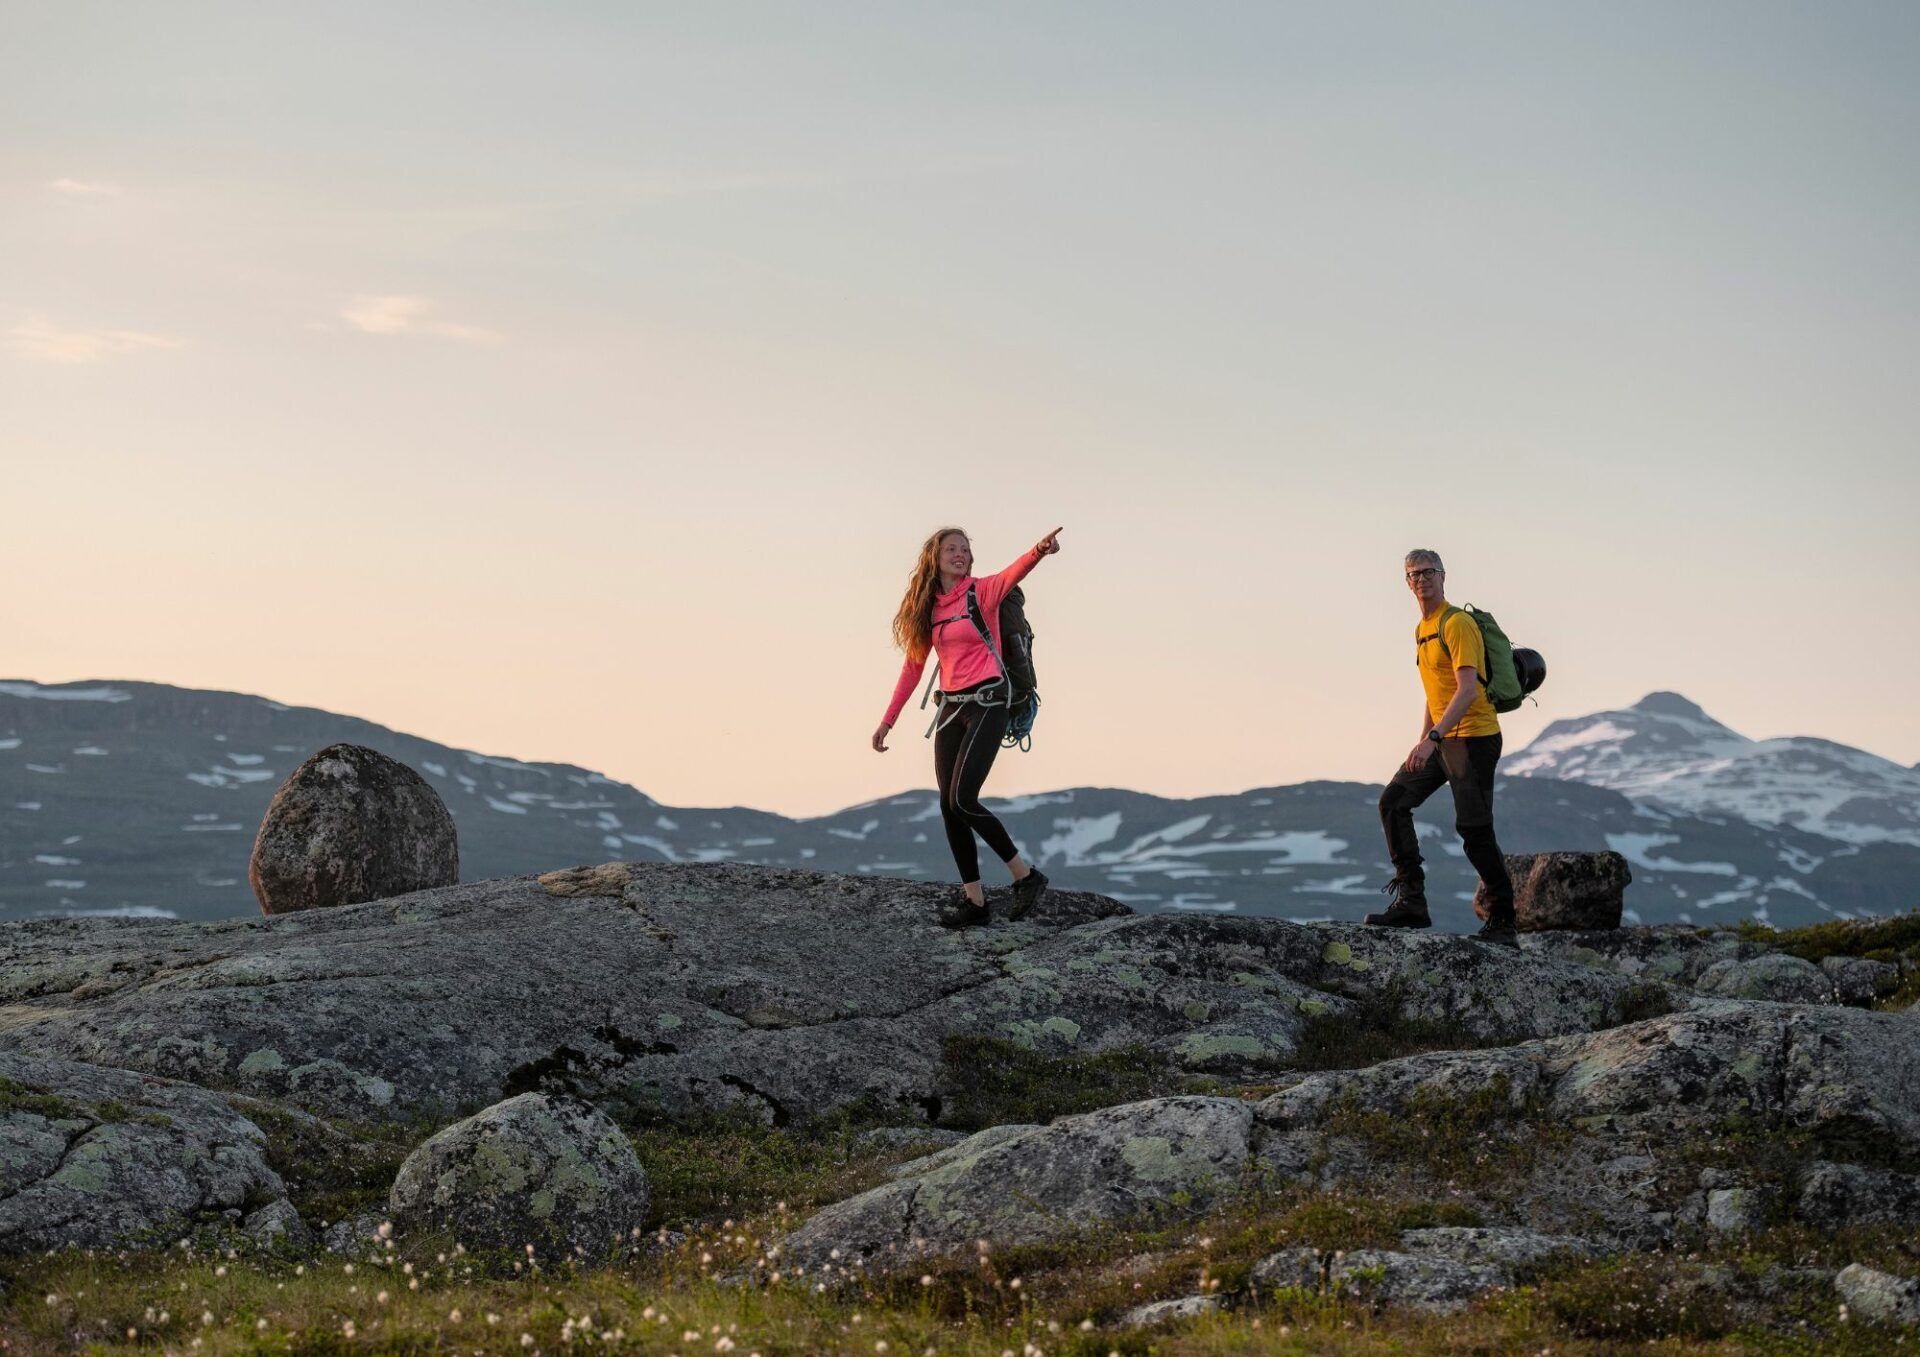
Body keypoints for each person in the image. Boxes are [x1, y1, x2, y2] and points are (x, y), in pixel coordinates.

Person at [873, 526, 1063, 927]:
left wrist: (1039, 550)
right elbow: (913, 668)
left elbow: (1014, 572)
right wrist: (888, 720)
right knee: (948, 806)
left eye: (964, 549)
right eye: (951, 549)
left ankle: (1026, 876)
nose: (960, 554)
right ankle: (975, 903)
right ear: (935, 558)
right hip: (950, 709)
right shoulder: (929, 608)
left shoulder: (983, 592)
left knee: (963, 799)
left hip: (989, 703)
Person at [1365, 548, 1519, 945]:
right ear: (1406, 583)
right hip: (1442, 737)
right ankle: (1412, 903)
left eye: (1428, 572)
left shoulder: (1457, 623)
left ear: (1443, 575)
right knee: (1393, 802)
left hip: (1473, 739)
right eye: (1414, 574)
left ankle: (1504, 922)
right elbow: (1436, 693)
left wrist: (1432, 740)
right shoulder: (1422, 629)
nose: (1422, 579)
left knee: (1474, 830)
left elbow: (1467, 690)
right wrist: (1424, 740)